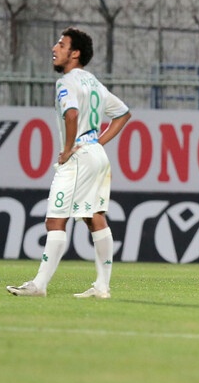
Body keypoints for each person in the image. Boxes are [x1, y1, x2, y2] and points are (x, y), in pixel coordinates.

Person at [7, 27, 131, 299]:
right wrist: (97, 141)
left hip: (79, 157)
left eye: (61, 45)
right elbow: (123, 114)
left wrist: (66, 150)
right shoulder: (93, 82)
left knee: (55, 220)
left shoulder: (66, 82)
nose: (54, 48)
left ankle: (39, 285)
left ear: (74, 54)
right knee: (94, 216)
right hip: (96, 154)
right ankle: (102, 286)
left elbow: (71, 114)